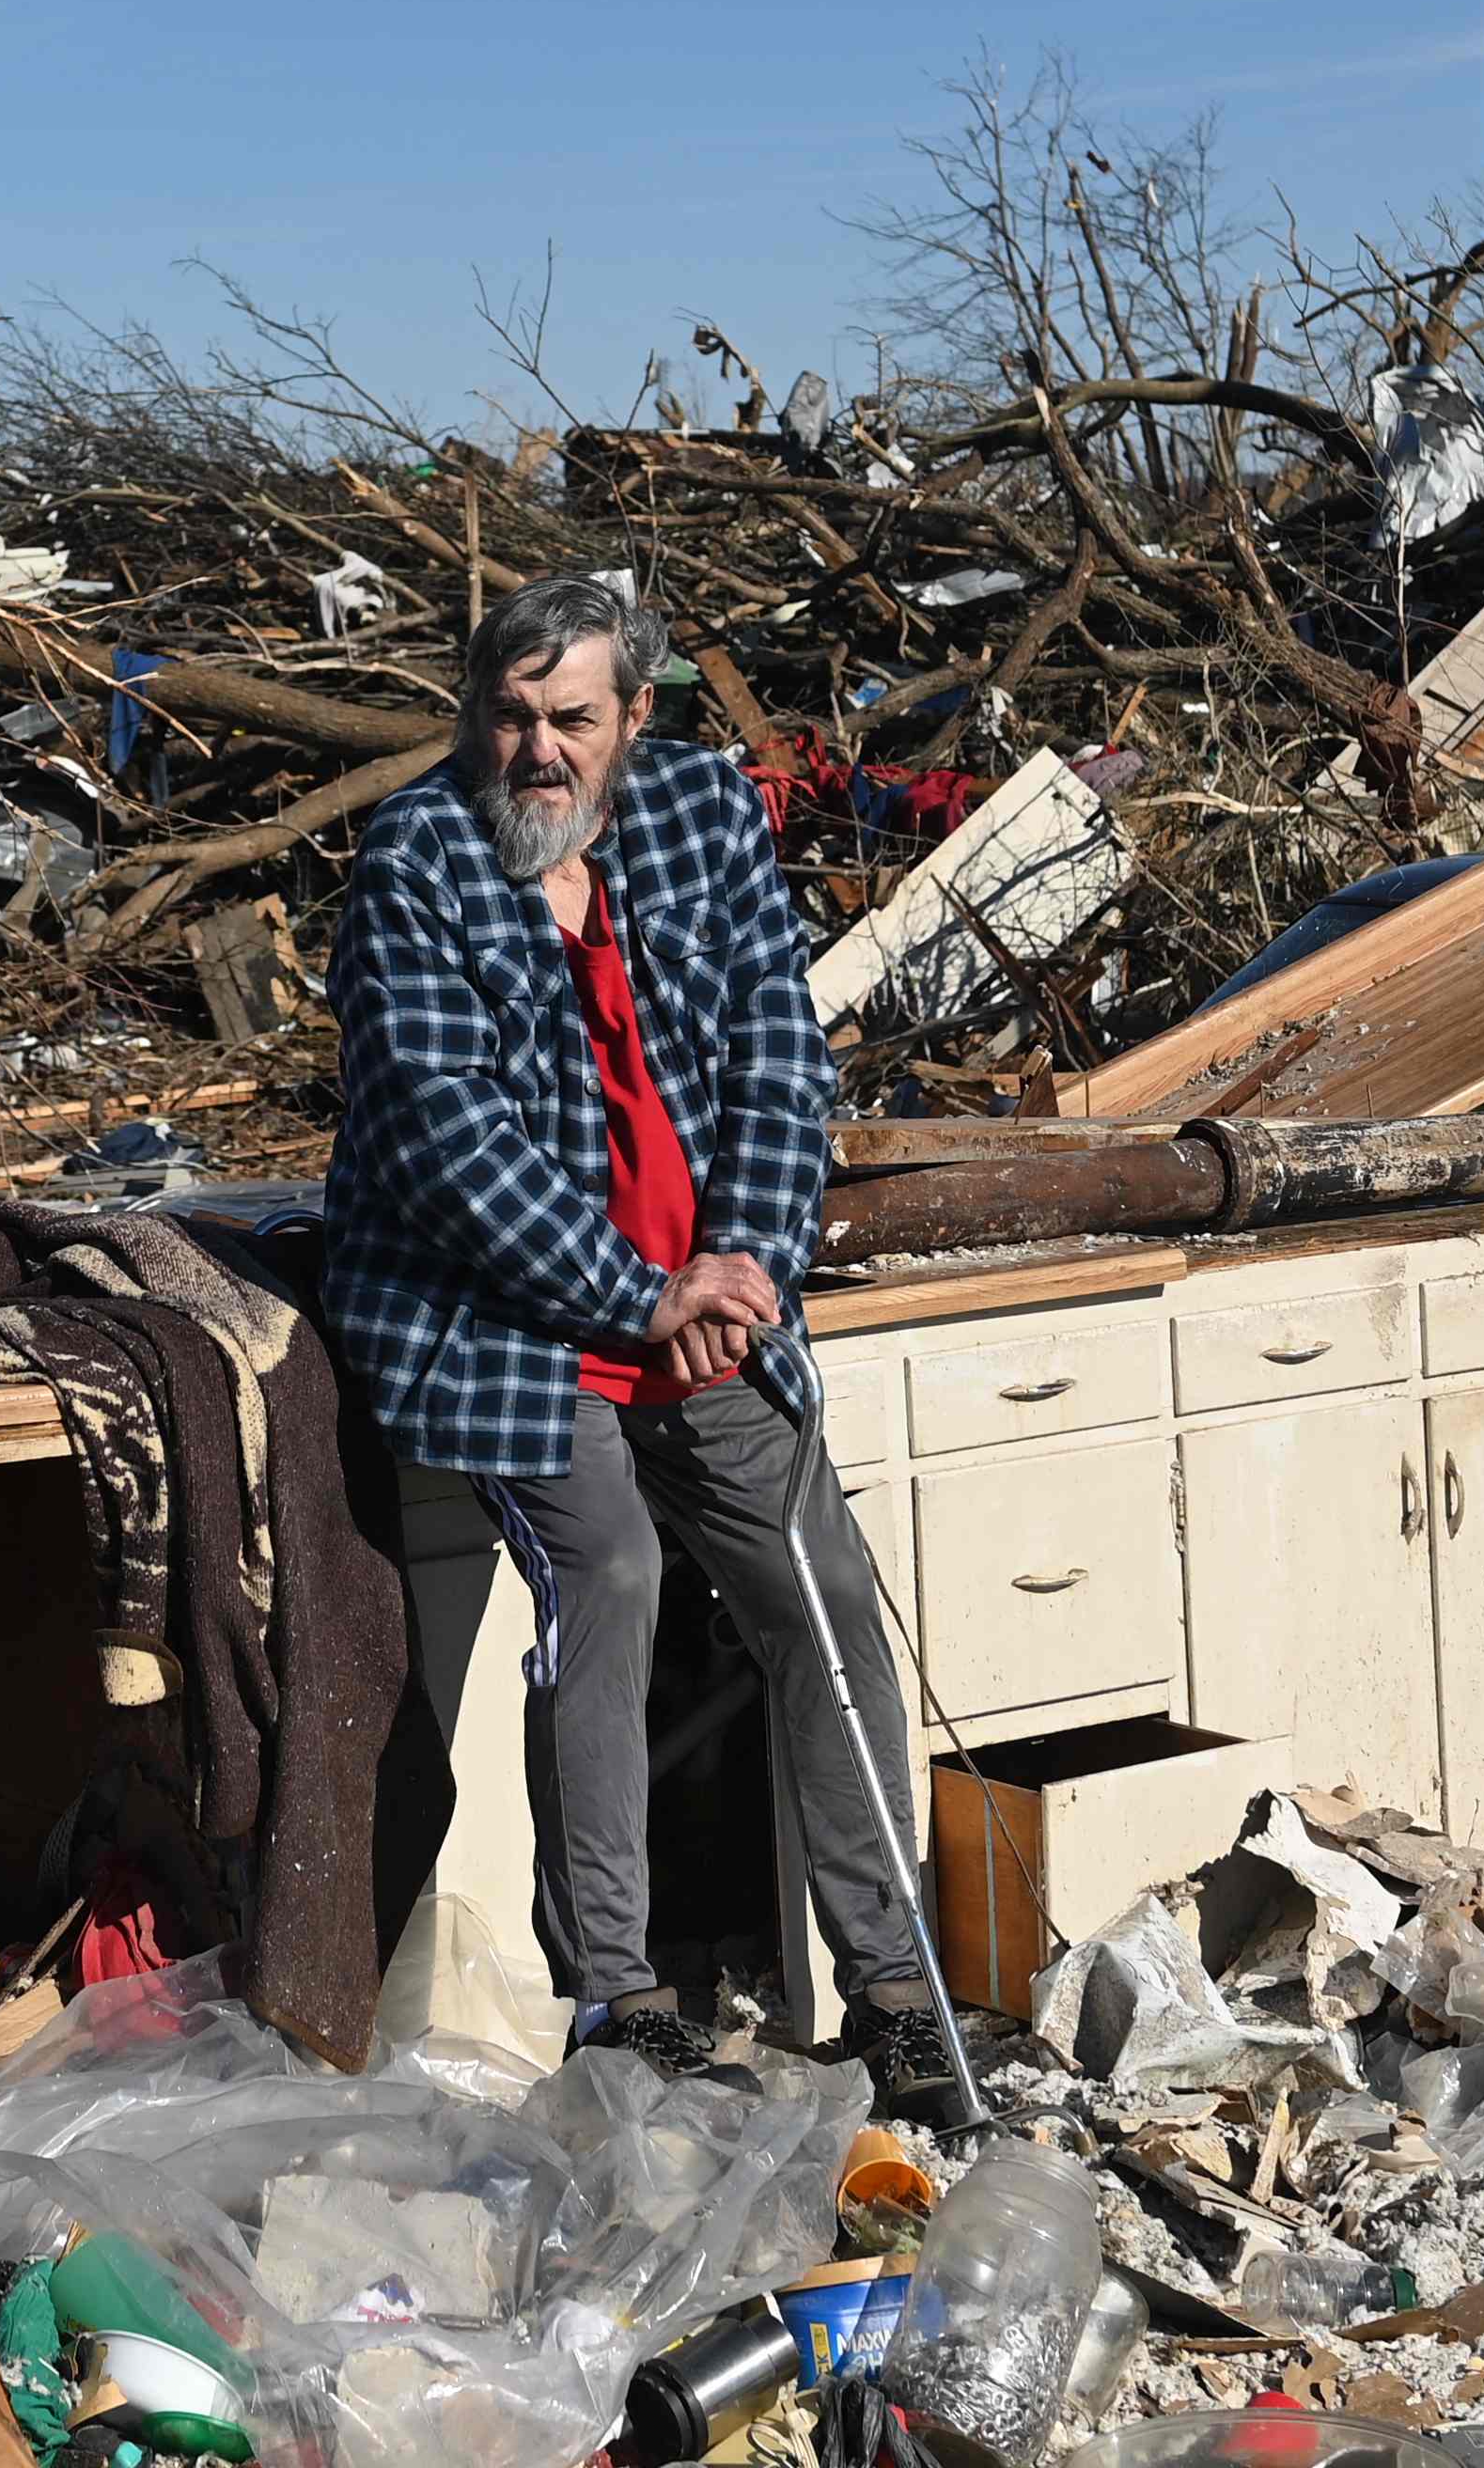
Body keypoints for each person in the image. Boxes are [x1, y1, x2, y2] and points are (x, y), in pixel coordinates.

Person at [320, 570, 966, 2116]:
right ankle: (615, 1993)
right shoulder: (415, 857)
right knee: (609, 1571)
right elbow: (443, 1135)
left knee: (820, 1589)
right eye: (510, 717)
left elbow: (772, 1048)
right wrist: (634, 1297)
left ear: (636, 719)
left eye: (572, 722)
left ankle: (894, 1990)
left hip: (701, 1299)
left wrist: (738, 1264)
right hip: (508, 1317)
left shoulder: (699, 814)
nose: (537, 752)